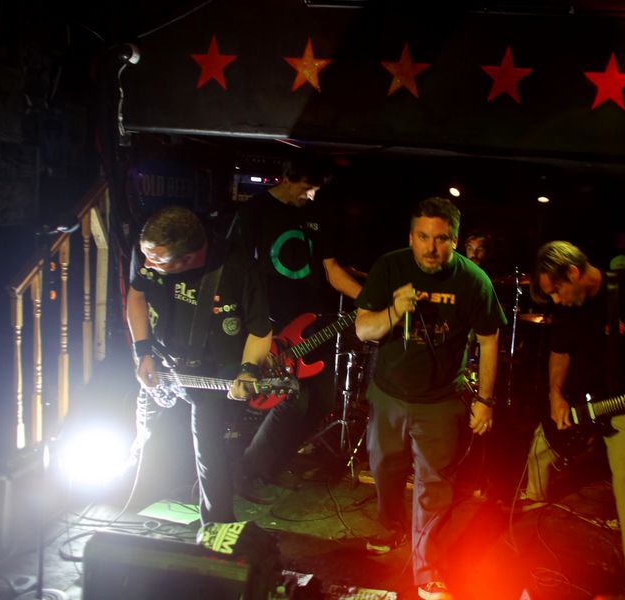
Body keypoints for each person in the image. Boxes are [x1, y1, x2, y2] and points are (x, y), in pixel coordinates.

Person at [355, 197, 507, 600]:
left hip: (441, 399)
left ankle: (428, 569)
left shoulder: (474, 280)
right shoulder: (390, 266)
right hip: (389, 393)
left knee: (434, 485)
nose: (430, 248)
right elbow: (363, 330)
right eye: (422, 237)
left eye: (440, 239)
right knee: (384, 468)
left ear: (454, 240)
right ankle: (391, 528)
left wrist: (485, 400)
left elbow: (490, 339)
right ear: (411, 237)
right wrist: (394, 311)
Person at [525, 240, 625, 600]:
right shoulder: (566, 306)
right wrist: (556, 397)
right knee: (539, 449)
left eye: (557, 291)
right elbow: (559, 353)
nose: (556, 300)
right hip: (581, 401)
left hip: (624, 400)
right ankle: (529, 528)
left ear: (573, 273)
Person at [126, 205, 274, 548]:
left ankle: (217, 528)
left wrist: (248, 370)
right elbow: (136, 294)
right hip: (163, 362)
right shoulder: (150, 251)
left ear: (189, 257)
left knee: (208, 446)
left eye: (157, 261)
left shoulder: (238, 268)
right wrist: (142, 350)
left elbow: (260, 330)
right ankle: (130, 492)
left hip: (214, 368)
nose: (147, 263)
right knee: (147, 432)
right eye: (146, 255)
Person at [229, 153, 362, 486]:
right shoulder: (254, 211)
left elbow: (332, 270)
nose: (311, 196)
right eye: (306, 188)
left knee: (321, 402)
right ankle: (251, 469)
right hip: (272, 322)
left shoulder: (317, 213)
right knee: (292, 401)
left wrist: (369, 299)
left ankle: (271, 466)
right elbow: (236, 269)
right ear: (286, 179)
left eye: (315, 190)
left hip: (311, 320)